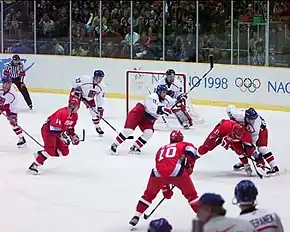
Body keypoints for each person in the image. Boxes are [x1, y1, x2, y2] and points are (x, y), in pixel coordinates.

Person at [129, 130, 199, 228]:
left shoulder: (161, 148)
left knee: (148, 195)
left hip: (157, 174)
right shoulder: (184, 144)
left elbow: (162, 169)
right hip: (177, 172)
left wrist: (165, 189)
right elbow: (192, 153)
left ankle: (136, 216)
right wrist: (189, 167)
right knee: (192, 195)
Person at [110, 84, 183, 155]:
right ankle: (115, 144)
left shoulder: (167, 98)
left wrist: (180, 99)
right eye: (163, 92)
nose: (164, 94)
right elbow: (153, 109)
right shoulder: (152, 97)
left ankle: (135, 147)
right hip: (138, 112)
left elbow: (174, 103)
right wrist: (164, 109)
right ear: (158, 92)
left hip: (148, 118)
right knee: (128, 130)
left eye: (165, 92)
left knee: (149, 132)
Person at [28, 96, 81, 175]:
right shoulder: (62, 112)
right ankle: (35, 165)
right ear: (72, 106)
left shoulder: (74, 116)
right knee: (50, 150)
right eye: (77, 106)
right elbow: (53, 129)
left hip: (58, 132)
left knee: (64, 152)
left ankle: (41, 154)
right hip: (48, 130)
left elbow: (70, 128)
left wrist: (73, 136)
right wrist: (63, 137)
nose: (78, 108)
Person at [226, 105, 279, 175]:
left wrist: (256, 157)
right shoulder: (238, 115)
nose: (251, 120)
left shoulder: (255, 125)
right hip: (245, 130)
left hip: (262, 130)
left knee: (262, 148)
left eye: (252, 119)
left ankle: (274, 167)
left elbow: (251, 144)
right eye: (249, 119)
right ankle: (244, 162)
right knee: (240, 146)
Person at [70, 70, 105, 136]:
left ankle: (97, 127)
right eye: (98, 78)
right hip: (77, 93)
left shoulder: (102, 86)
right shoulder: (85, 79)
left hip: (88, 97)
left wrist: (100, 107)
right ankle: (69, 126)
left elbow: (100, 98)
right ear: (94, 76)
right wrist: (77, 89)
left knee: (94, 113)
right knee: (74, 108)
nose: (99, 80)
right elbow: (74, 82)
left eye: (101, 78)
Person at [0, 76, 26, 147]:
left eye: (9, 83)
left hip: (10, 107)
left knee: (13, 124)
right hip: (1, 105)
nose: (8, 85)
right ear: (3, 83)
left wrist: (13, 116)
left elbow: (12, 105)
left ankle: (21, 138)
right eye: (6, 83)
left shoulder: (12, 93)